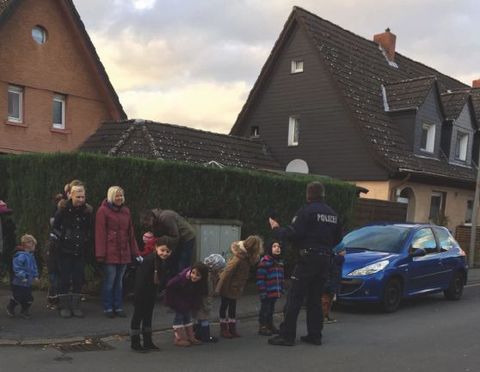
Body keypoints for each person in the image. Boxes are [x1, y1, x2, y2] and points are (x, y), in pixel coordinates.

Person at [267, 181, 343, 346]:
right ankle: (315, 335)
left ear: (308, 195)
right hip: (325, 260)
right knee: (315, 299)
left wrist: (276, 229)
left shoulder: (306, 211)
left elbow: (294, 234)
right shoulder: (333, 214)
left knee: (295, 297)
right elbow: (338, 238)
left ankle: (287, 336)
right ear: (323, 195)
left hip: (308, 259)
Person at [95, 186, 141, 318]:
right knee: (110, 281)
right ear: (111, 197)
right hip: (110, 252)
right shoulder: (102, 211)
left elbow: (130, 233)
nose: (120, 198)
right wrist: (100, 253)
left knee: (119, 281)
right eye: (117, 196)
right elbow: (100, 233)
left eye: (121, 195)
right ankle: (108, 307)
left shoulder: (126, 211)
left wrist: (135, 252)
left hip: (124, 251)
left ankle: (118, 306)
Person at [52, 183, 93, 318]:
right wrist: (62, 239)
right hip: (64, 250)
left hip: (79, 250)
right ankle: (64, 306)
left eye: (83, 196)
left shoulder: (86, 212)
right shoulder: (63, 210)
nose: (81, 199)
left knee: (78, 279)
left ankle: (75, 306)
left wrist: (84, 240)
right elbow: (55, 227)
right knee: (64, 279)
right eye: (78, 197)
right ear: (72, 196)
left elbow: (88, 230)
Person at [215, 235, 263, 338]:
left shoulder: (246, 258)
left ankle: (232, 328)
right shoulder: (239, 259)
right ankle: (224, 329)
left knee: (232, 307)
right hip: (229, 286)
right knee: (224, 306)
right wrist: (219, 288)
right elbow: (226, 273)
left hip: (235, 287)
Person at [130, 237, 172, 352]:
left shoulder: (161, 261)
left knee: (148, 317)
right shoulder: (149, 260)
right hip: (141, 293)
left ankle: (148, 341)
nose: (165, 253)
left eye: (167, 251)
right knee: (138, 317)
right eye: (162, 250)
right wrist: (138, 295)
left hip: (151, 293)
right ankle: (135, 342)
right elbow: (141, 279)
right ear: (156, 248)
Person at [165, 262, 209, 347]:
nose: (194, 276)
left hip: (187, 301)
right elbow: (169, 285)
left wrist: (195, 305)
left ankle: (190, 337)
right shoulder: (181, 278)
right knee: (179, 318)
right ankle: (179, 339)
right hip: (178, 301)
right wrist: (171, 301)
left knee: (188, 318)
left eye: (198, 275)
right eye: (193, 273)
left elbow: (198, 295)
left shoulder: (200, 284)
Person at [141, 208, 196, 274]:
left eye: (147, 223)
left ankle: (182, 281)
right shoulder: (154, 221)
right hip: (175, 237)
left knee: (182, 263)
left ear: (151, 218)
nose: (147, 226)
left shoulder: (166, 217)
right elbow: (158, 236)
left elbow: (175, 236)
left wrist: (167, 248)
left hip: (187, 236)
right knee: (173, 263)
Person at [193, 253, 226, 343]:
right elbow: (208, 292)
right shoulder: (208, 278)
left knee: (200, 318)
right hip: (204, 302)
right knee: (204, 318)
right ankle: (205, 336)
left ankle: (198, 334)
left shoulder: (205, 273)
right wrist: (207, 305)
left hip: (199, 300)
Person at [6, 234, 39, 319]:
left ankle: (24, 311)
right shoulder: (21, 255)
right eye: (32, 244)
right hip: (19, 281)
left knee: (29, 298)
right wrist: (23, 276)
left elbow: (34, 266)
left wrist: (35, 275)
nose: (34, 246)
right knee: (18, 296)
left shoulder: (31, 256)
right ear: (26, 244)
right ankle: (10, 306)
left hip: (27, 281)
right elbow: (17, 267)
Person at [256, 240, 285, 336]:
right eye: (274, 246)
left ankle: (270, 324)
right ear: (269, 248)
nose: (277, 248)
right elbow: (260, 278)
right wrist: (262, 290)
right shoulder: (265, 262)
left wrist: (281, 288)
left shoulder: (279, 262)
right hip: (267, 291)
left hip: (275, 291)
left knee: (271, 309)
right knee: (265, 309)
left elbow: (280, 277)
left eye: (279, 246)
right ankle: (263, 326)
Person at [322, 245, 346, 323]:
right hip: (329, 284)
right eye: (343, 250)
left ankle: (326, 316)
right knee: (326, 301)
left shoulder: (338, 260)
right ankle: (323, 317)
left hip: (332, 283)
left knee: (329, 301)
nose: (345, 251)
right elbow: (331, 274)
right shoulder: (334, 260)